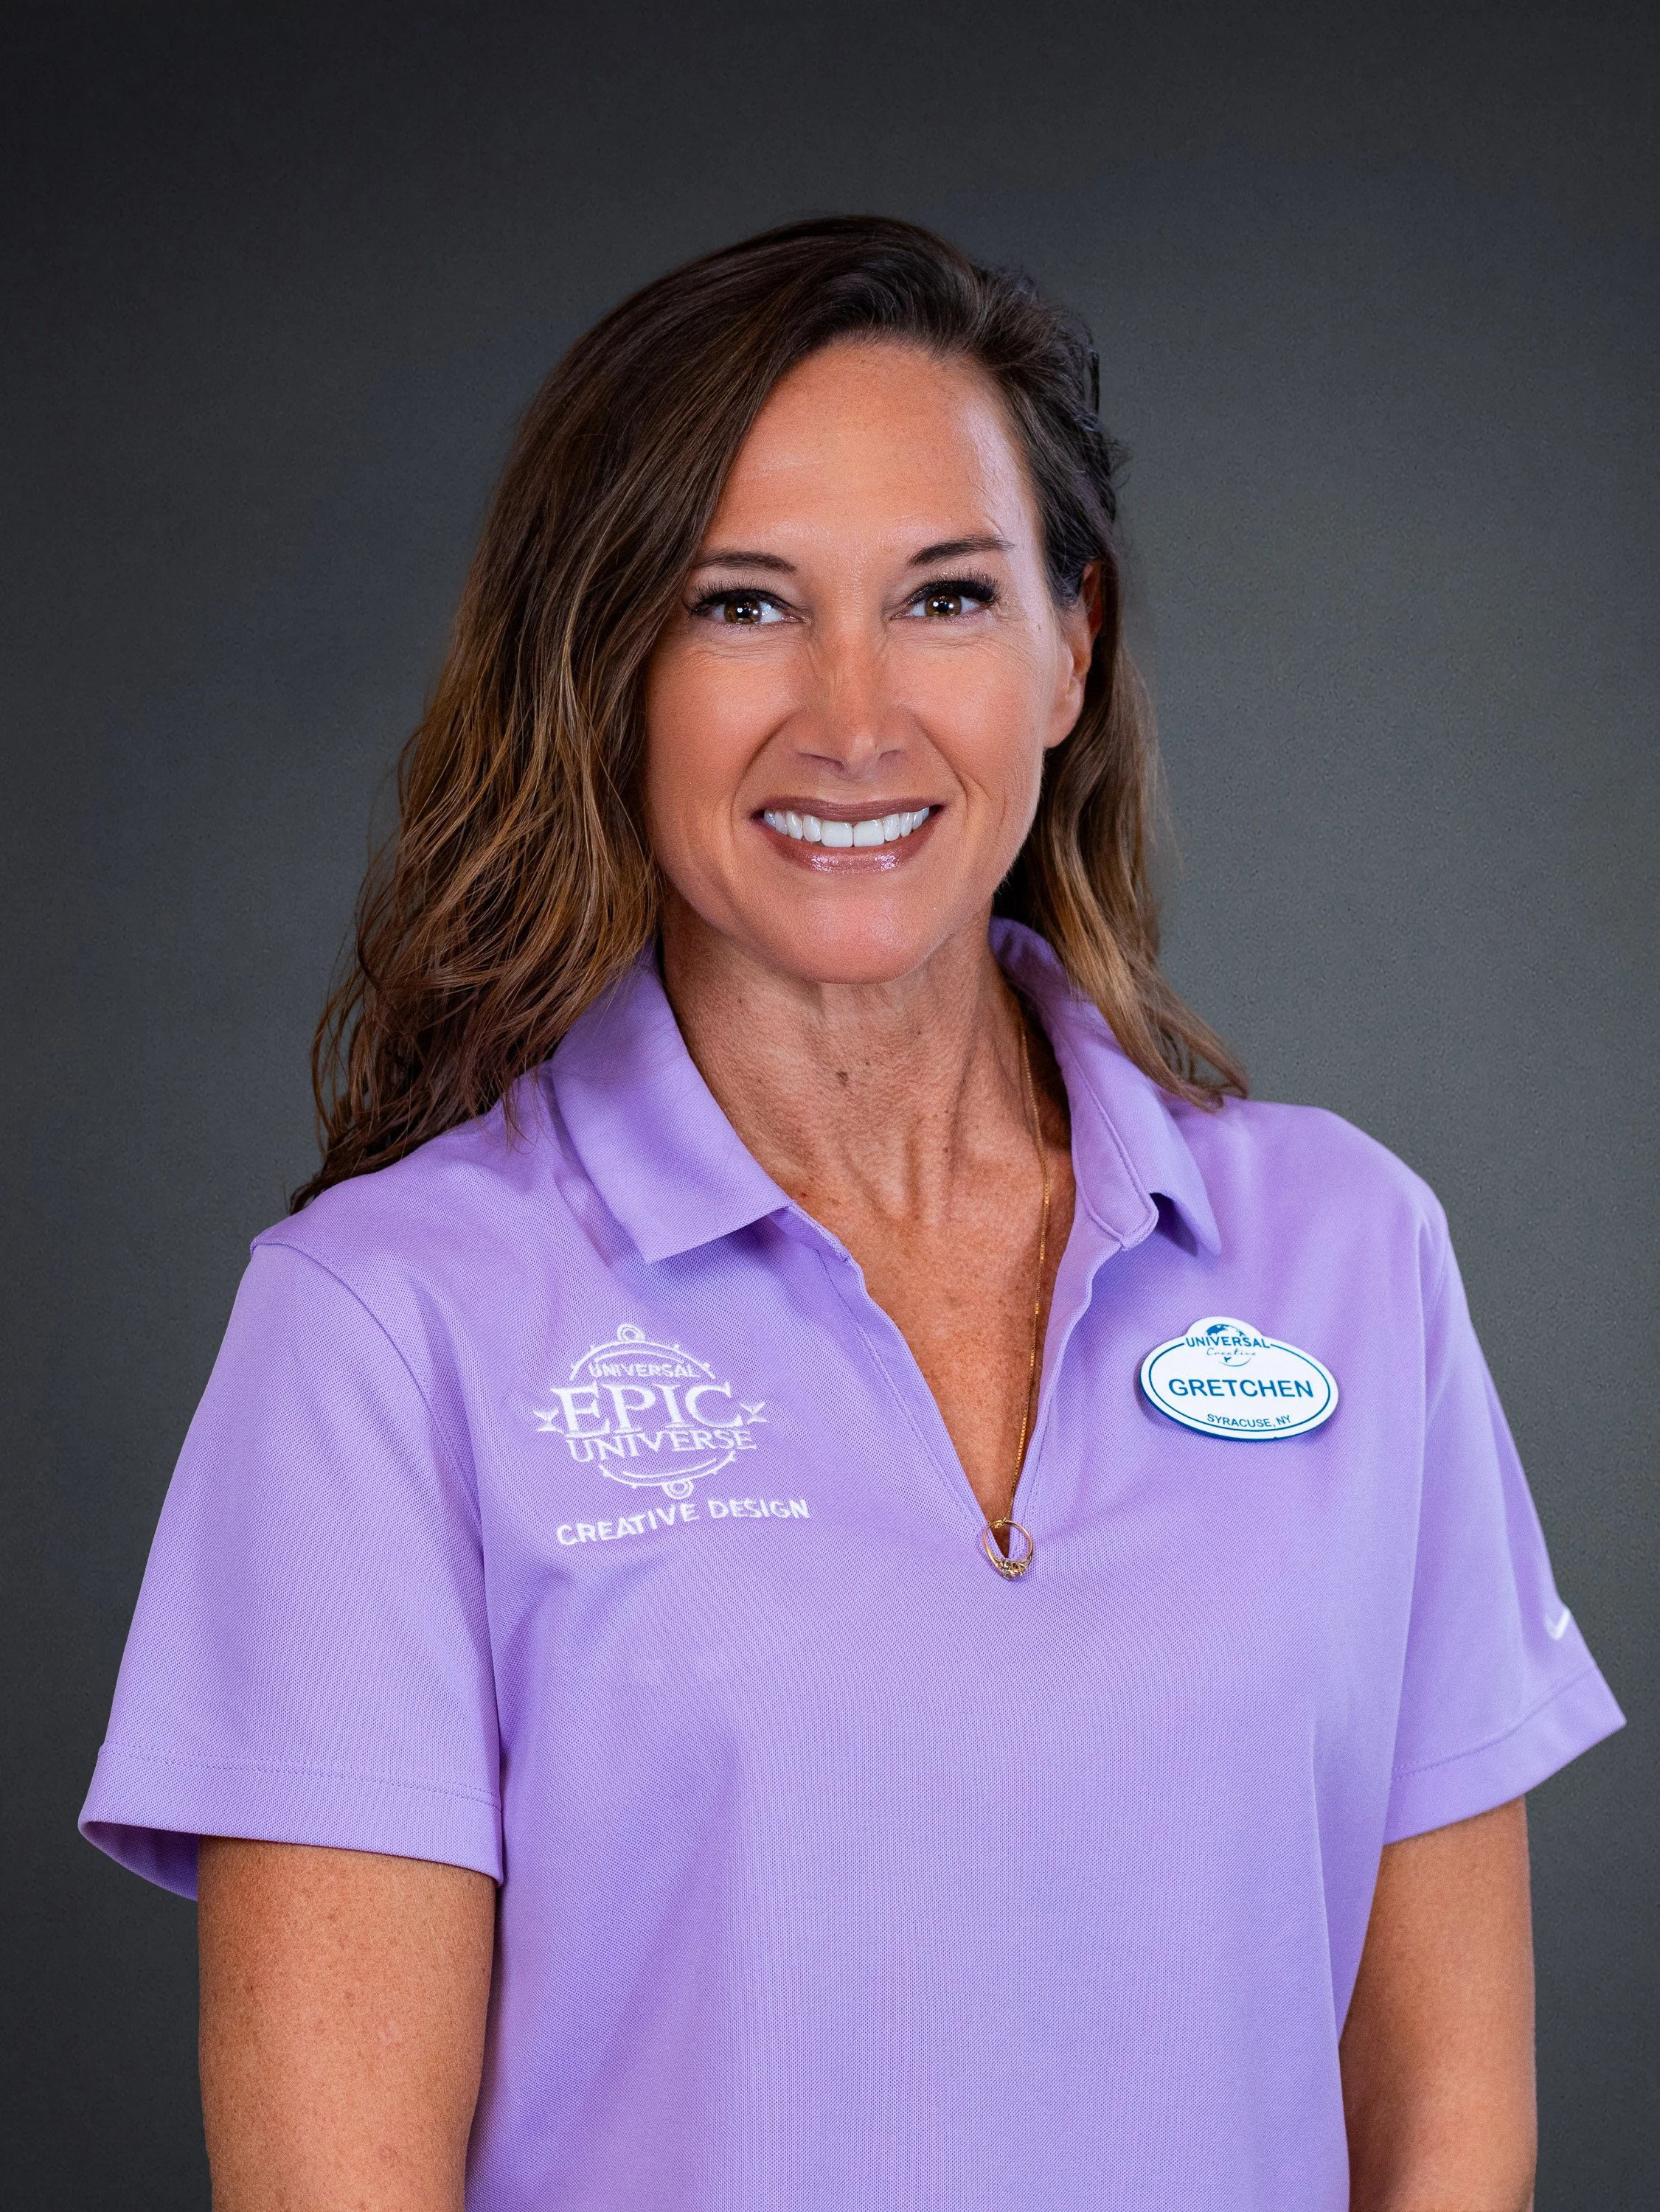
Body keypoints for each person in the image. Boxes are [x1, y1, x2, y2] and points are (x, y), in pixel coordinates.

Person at [81, 217, 1622, 2212]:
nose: (854, 718)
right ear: (605, 668)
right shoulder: (385, 1329)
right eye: (742, 606)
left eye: (947, 597)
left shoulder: (1351, 1256)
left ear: (1071, 650)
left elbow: (1447, 2139)